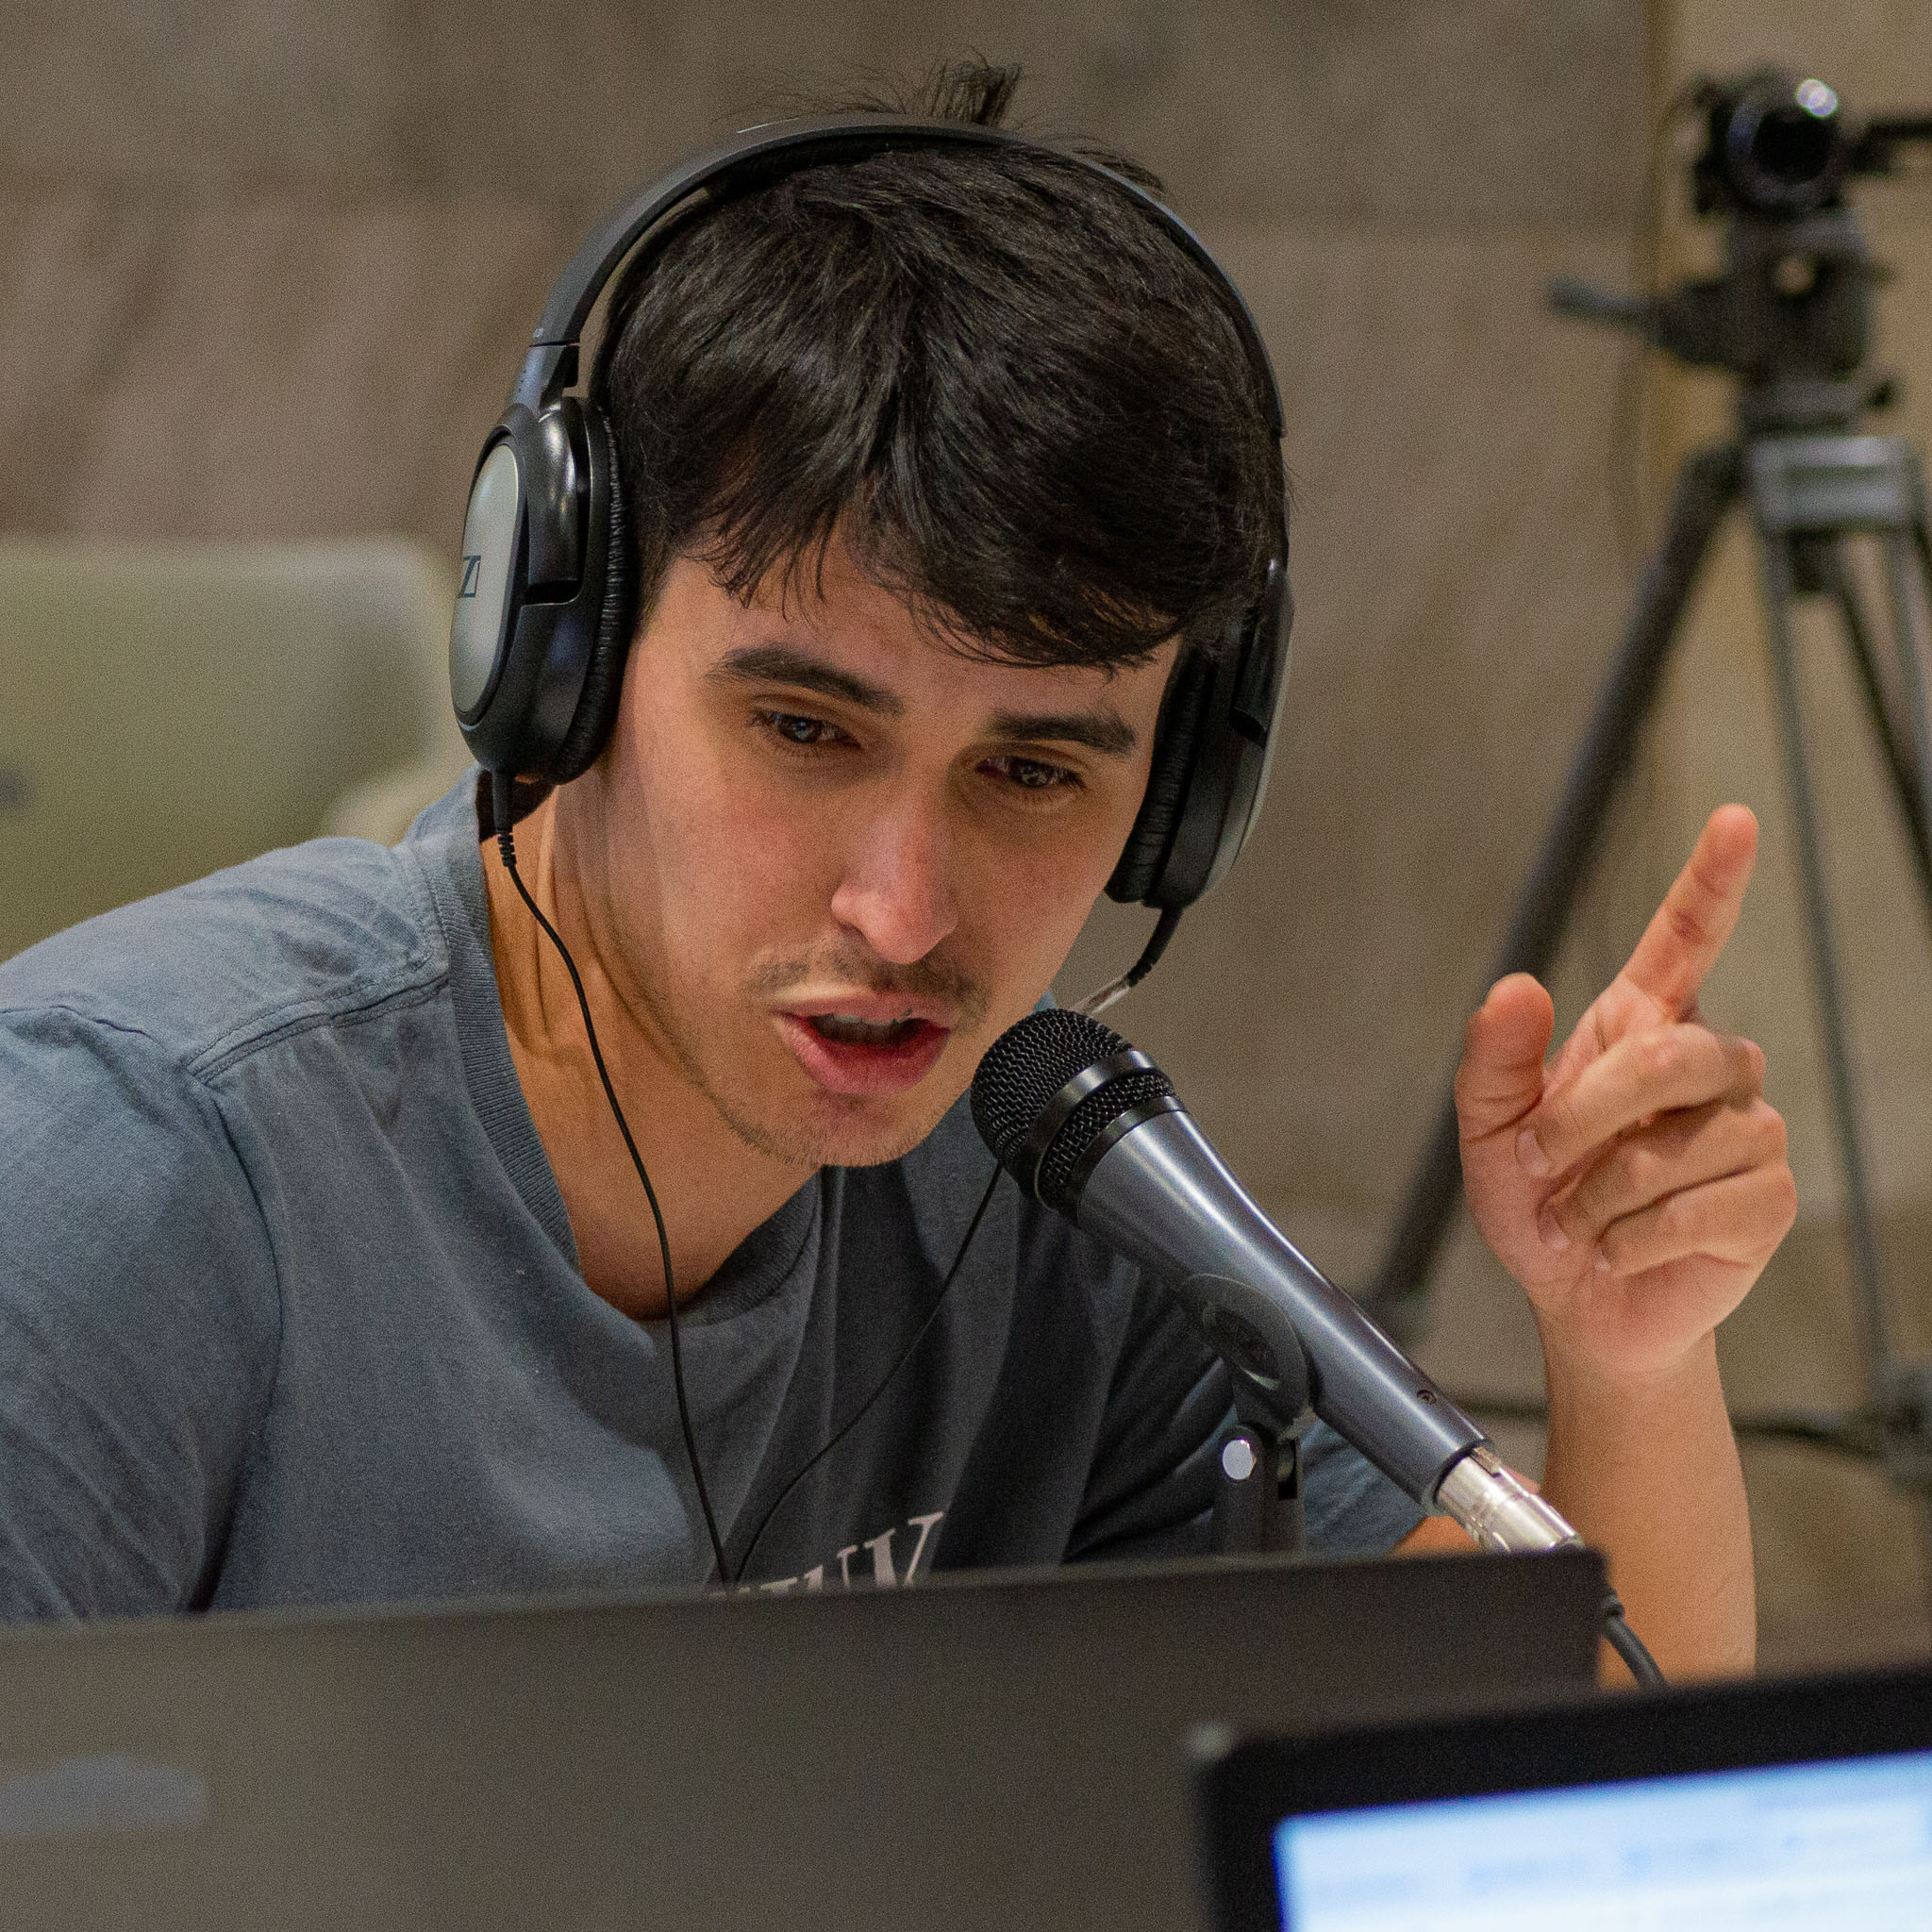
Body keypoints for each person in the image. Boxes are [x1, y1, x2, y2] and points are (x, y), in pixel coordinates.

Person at [0, 67, 1791, 1676]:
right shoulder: (124, 1176)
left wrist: (1625, 1355)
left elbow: (1582, 1791)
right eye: (805, 730)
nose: (906, 913)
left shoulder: (1041, 1198)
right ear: (562, 660)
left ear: (1182, 797)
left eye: (1032, 772)